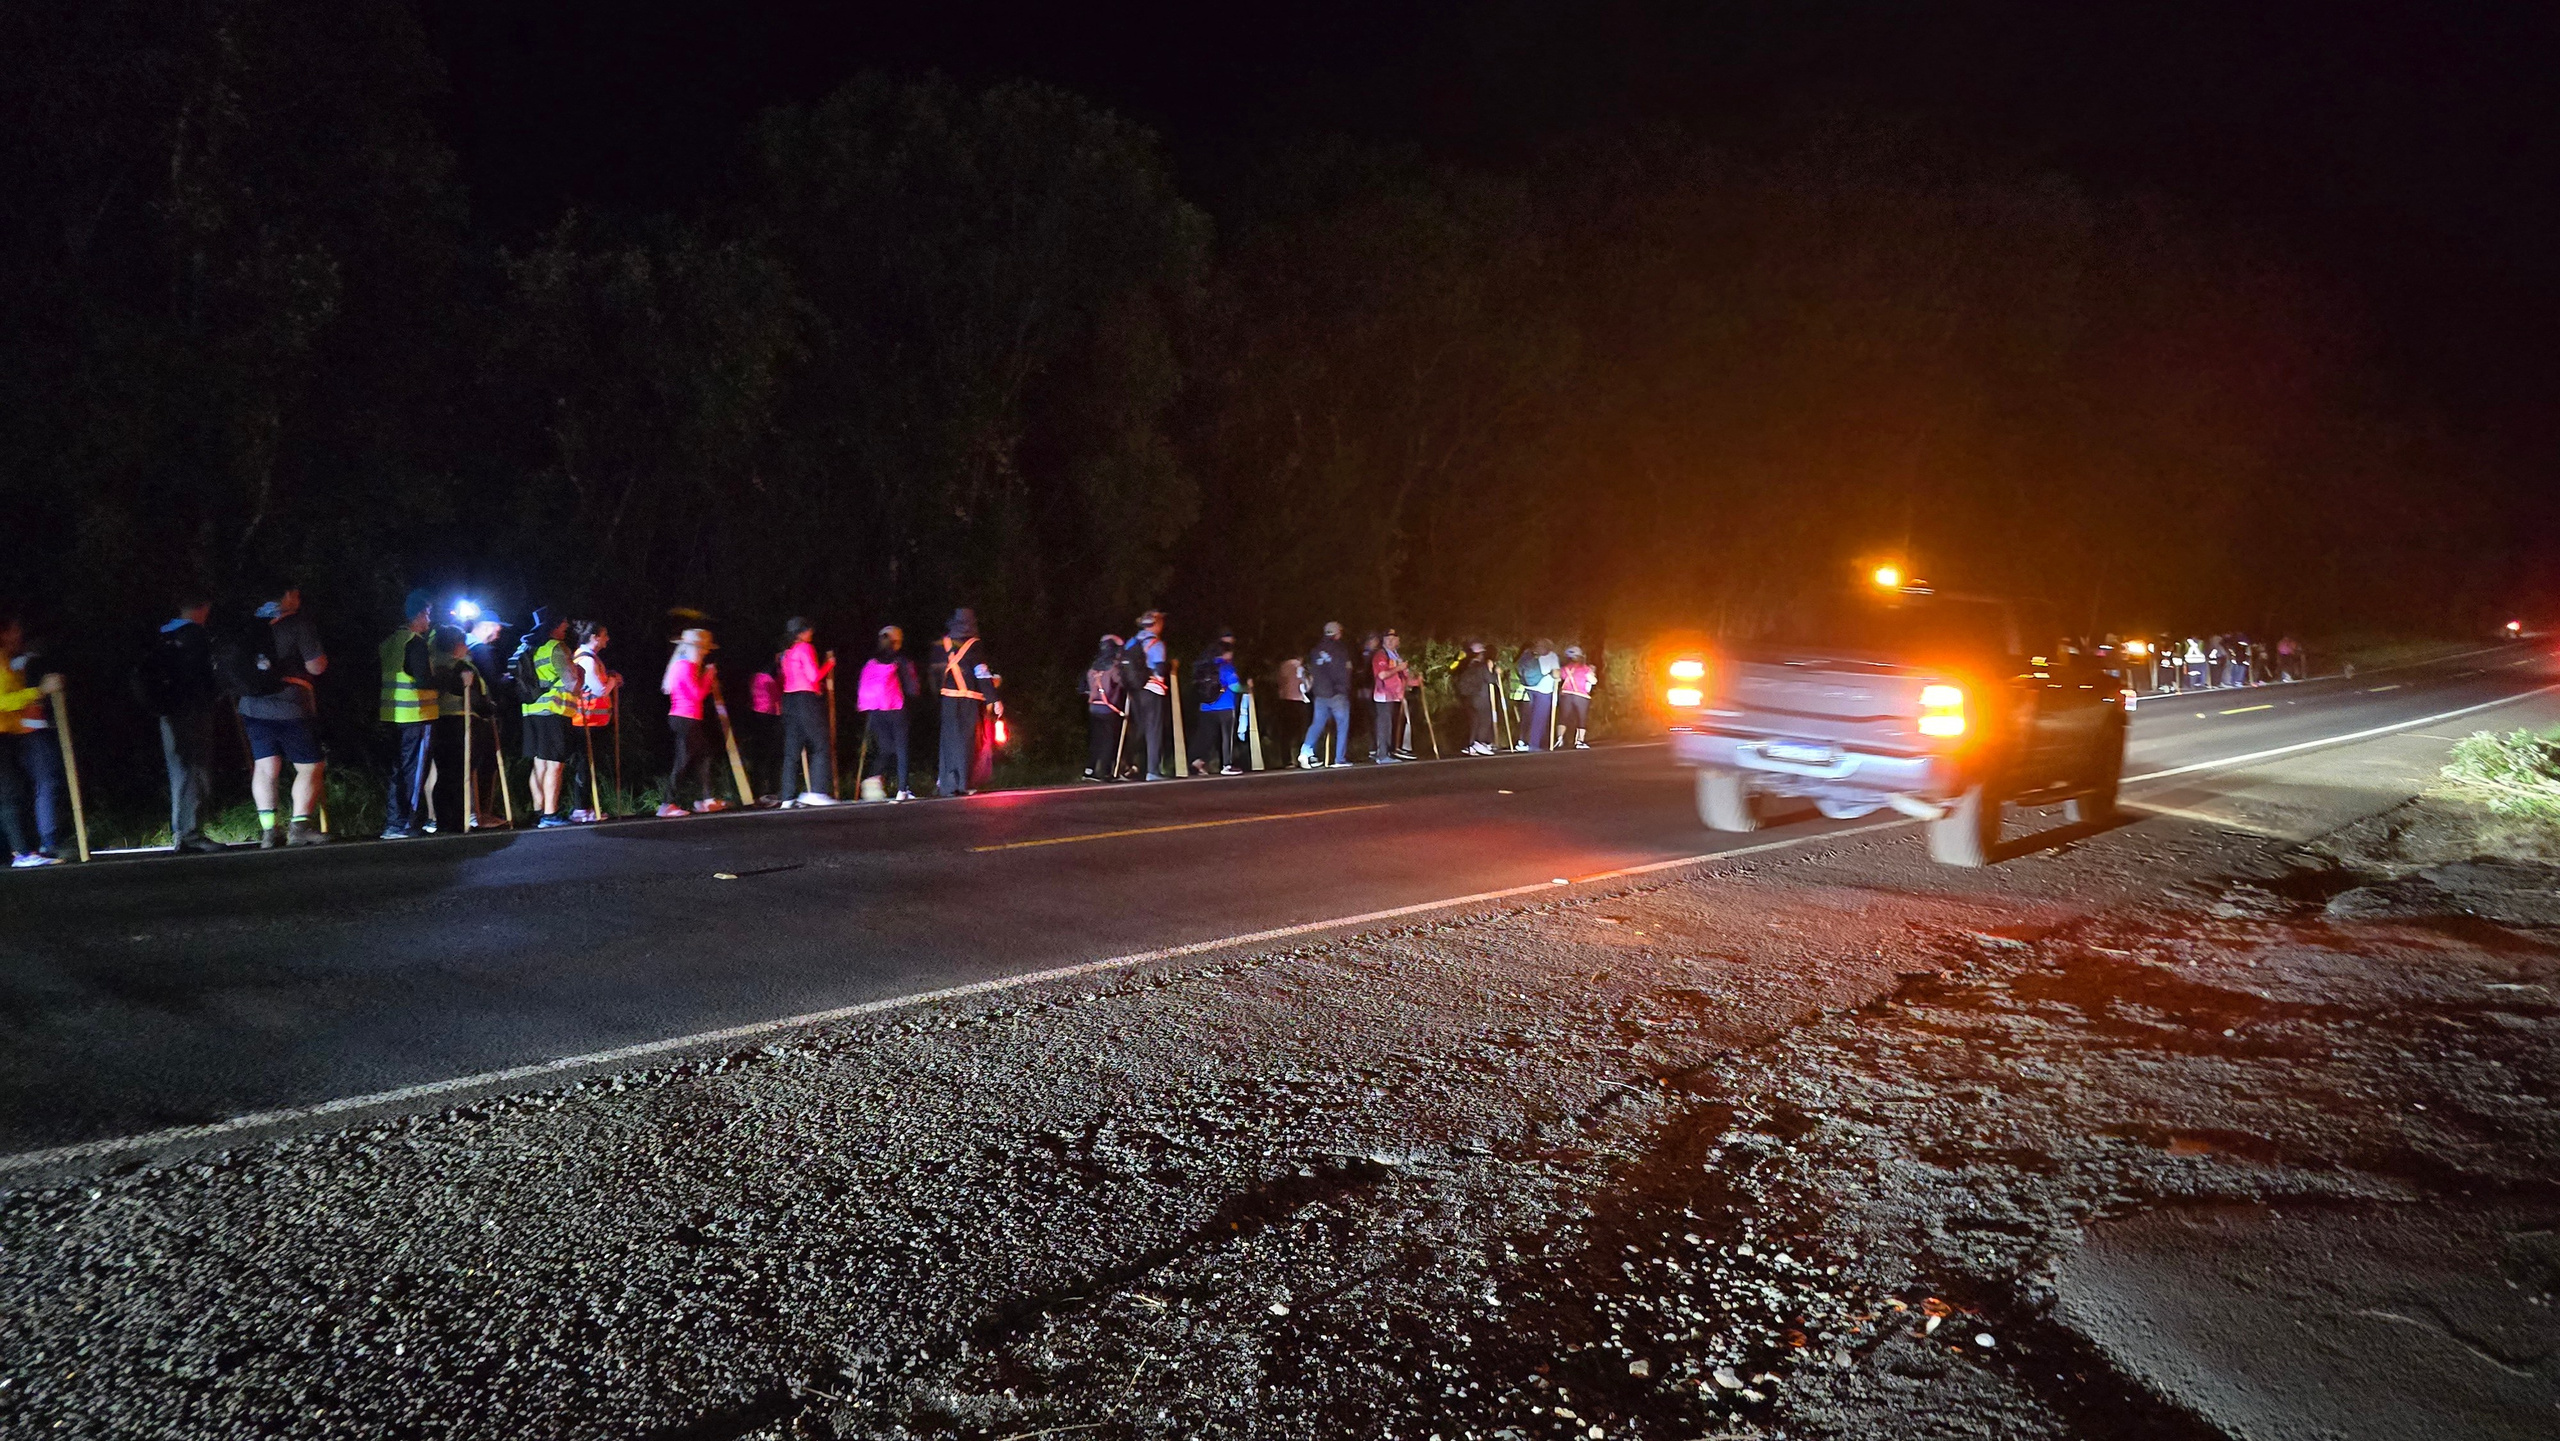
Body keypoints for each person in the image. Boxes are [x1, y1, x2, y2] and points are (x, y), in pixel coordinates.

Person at [232, 583, 330, 848]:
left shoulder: (250, 624)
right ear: (285, 595)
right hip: (291, 706)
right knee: (310, 766)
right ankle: (299, 828)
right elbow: (316, 666)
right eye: (295, 593)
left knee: (265, 767)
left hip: (251, 706)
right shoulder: (298, 623)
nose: (298, 598)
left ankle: (268, 831)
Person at [138, 596, 224, 853]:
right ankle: (190, 832)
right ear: (203, 607)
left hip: (168, 712)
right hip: (192, 711)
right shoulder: (195, 636)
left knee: (181, 769)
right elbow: (206, 677)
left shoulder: (163, 634)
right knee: (196, 769)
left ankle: (183, 832)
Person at [376, 590, 442, 840]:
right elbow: (423, 680)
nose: (429, 620)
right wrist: (447, 679)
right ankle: (406, 822)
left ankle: (395, 821)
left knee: (398, 771)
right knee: (414, 773)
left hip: (391, 716)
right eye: (428, 613)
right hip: (416, 714)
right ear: (418, 614)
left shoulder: (389, 642)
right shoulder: (414, 643)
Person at [0, 615, 63, 867]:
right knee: (9, 794)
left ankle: (19, 851)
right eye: (14, 631)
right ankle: (21, 853)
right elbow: (3, 701)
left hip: (7, 734)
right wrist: (38, 692)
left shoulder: (7, 661)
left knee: (13, 793)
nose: (19, 635)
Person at [512, 610, 576, 828]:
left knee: (539, 762)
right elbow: (572, 683)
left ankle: (539, 810)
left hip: (531, 711)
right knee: (554, 764)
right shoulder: (555, 648)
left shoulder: (530, 647)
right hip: (553, 711)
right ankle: (551, 814)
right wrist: (580, 672)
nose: (567, 625)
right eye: (564, 622)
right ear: (554, 625)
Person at [659, 627, 726, 816]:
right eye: (703, 648)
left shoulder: (685, 665)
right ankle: (667, 803)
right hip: (685, 718)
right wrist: (709, 675)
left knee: (704, 755)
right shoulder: (685, 666)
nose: (705, 652)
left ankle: (707, 799)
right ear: (693, 648)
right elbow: (697, 694)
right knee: (683, 760)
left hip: (687, 717)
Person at [934, 609, 1001, 797]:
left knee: (948, 741)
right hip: (968, 700)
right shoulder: (974, 645)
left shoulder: (944, 644)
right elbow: (981, 673)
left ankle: (947, 784)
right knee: (966, 741)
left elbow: (935, 674)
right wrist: (994, 698)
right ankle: (964, 783)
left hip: (947, 699)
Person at [775, 617, 837, 807]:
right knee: (821, 744)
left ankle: (787, 797)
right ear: (802, 632)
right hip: (805, 699)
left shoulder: (787, 653)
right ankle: (817, 792)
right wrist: (829, 664)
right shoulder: (805, 648)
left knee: (792, 750)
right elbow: (813, 676)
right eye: (809, 630)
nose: (811, 633)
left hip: (789, 700)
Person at [856, 625, 920, 801]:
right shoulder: (901, 660)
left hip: (874, 710)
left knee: (886, 747)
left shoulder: (871, 662)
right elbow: (912, 688)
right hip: (896, 708)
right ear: (897, 641)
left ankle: (872, 778)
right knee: (901, 748)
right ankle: (903, 789)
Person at [460, 612, 512, 828]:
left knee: (474, 763)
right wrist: (507, 681)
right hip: (483, 713)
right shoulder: (481, 650)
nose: (499, 633)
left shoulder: (463, 646)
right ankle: (480, 814)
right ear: (487, 625)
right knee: (485, 763)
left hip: (469, 712)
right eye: (497, 627)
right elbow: (492, 681)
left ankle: (476, 813)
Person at [566, 621, 619, 820]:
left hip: (593, 721)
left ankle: (586, 807)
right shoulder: (586, 659)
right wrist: (613, 680)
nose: (607, 639)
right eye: (604, 635)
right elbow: (598, 689)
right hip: (585, 720)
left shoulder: (590, 657)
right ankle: (580, 808)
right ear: (594, 637)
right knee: (585, 765)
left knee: (590, 765)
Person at [1297, 622, 1354, 769]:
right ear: (1337, 633)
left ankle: (1305, 751)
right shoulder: (1340, 649)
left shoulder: (1315, 650)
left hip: (1320, 694)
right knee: (1342, 725)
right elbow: (1344, 670)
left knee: (1317, 723)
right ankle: (1339, 759)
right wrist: (1344, 687)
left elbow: (1313, 671)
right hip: (1337, 693)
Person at [1191, 630, 1243, 775]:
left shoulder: (1205, 666)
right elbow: (1235, 686)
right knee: (1227, 737)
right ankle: (1227, 764)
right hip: (1225, 705)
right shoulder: (1227, 667)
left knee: (1207, 736)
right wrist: (1247, 688)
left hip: (1206, 706)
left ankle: (1198, 760)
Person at [1126, 610, 1170, 780]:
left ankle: (1130, 765)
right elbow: (1159, 670)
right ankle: (1153, 770)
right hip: (1152, 689)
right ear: (1157, 624)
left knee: (1140, 729)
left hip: (1134, 690)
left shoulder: (1132, 642)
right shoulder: (1156, 644)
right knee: (1154, 730)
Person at [1083, 633, 1128, 781]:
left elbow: (1083, 687)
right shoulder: (1112, 668)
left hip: (1093, 707)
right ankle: (1105, 772)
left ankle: (1089, 770)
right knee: (1109, 739)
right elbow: (1121, 683)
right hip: (1108, 708)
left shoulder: (1093, 667)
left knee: (1096, 739)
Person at [1370, 629, 1413, 763]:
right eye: (1387, 639)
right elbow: (1382, 675)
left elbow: (1404, 676)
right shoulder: (1381, 655)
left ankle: (1389, 751)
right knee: (1384, 725)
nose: (1390, 641)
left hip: (1395, 696)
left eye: (1393, 639)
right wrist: (1399, 669)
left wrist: (1415, 680)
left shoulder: (1396, 656)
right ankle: (1382, 755)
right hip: (1383, 696)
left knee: (1392, 725)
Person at [1452, 640, 1497, 756]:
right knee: (1485, 719)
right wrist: (1494, 671)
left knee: (1474, 721)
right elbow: (1491, 679)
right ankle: (1479, 743)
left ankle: (1472, 745)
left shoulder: (1467, 664)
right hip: (1480, 697)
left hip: (1469, 697)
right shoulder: (1481, 666)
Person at [1517, 638, 1561, 751]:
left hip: (1527, 688)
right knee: (1539, 718)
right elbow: (1556, 673)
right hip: (1544, 690)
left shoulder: (1527, 654)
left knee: (1526, 716)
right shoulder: (1552, 656)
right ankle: (1534, 744)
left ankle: (1522, 741)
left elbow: (1519, 669)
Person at [1558, 644, 1597, 748]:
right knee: (1581, 718)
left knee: (1563, 717)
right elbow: (1593, 681)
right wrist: (1593, 673)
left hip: (1566, 694)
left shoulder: (1564, 668)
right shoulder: (1585, 669)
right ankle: (1579, 740)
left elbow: (1558, 678)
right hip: (1581, 695)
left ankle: (1559, 738)